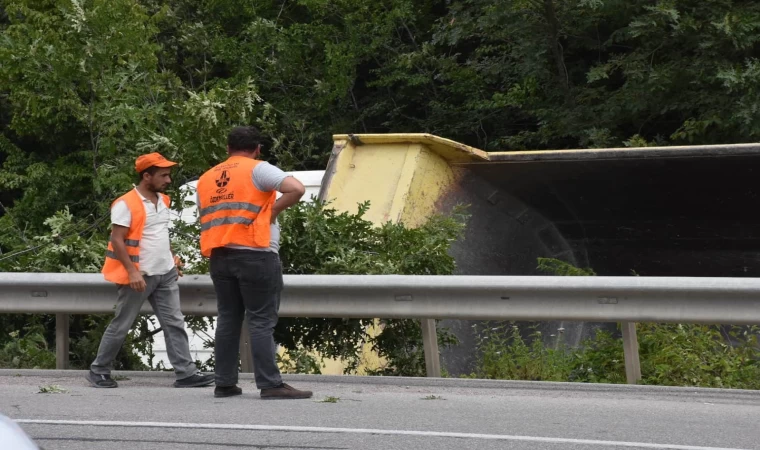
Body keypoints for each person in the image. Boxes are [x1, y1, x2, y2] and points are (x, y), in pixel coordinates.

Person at [197, 126, 312, 399]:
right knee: (261, 321)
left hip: (220, 255)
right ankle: (270, 384)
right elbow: (296, 188)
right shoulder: (258, 169)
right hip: (256, 254)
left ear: (227, 149)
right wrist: (270, 212)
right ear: (258, 148)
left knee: (227, 319)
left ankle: (224, 384)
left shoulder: (206, 178)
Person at [87, 152, 214, 389]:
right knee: (122, 324)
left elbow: (159, 234)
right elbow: (117, 240)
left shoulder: (163, 200)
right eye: (163, 175)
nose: (168, 180)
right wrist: (132, 272)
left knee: (174, 322)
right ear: (147, 176)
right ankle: (99, 370)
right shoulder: (126, 203)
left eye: (168, 175)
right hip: (139, 276)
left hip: (165, 273)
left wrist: (172, 258)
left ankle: (185, 373)